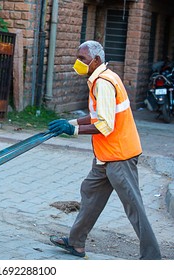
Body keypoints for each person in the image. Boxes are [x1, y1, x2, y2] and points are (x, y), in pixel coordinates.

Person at [48, 40, 162, 260]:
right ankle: (76, 243)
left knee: (134, 208)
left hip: (119, 157)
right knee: (90, 195)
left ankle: (152, 258)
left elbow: (105, 125)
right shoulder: (102, 78)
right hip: (105, 155)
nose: (78, 63)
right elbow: (98, 115)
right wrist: (71, 122)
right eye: (78, 58)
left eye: (83, 59)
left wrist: (71, 132)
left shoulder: (103, 83)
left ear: (96, 60)